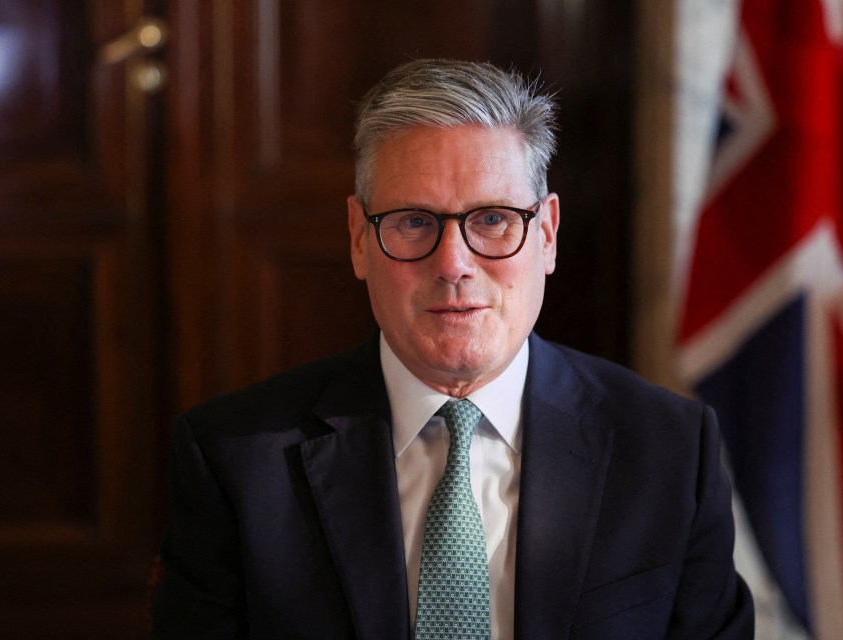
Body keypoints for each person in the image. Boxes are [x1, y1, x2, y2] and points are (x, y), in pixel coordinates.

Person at [151, 59, 754, 639]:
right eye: (414, 221)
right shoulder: (234, 461)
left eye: (493, 219)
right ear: (360, 239)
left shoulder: (668, 449)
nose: (454, 264)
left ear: (545, 234)